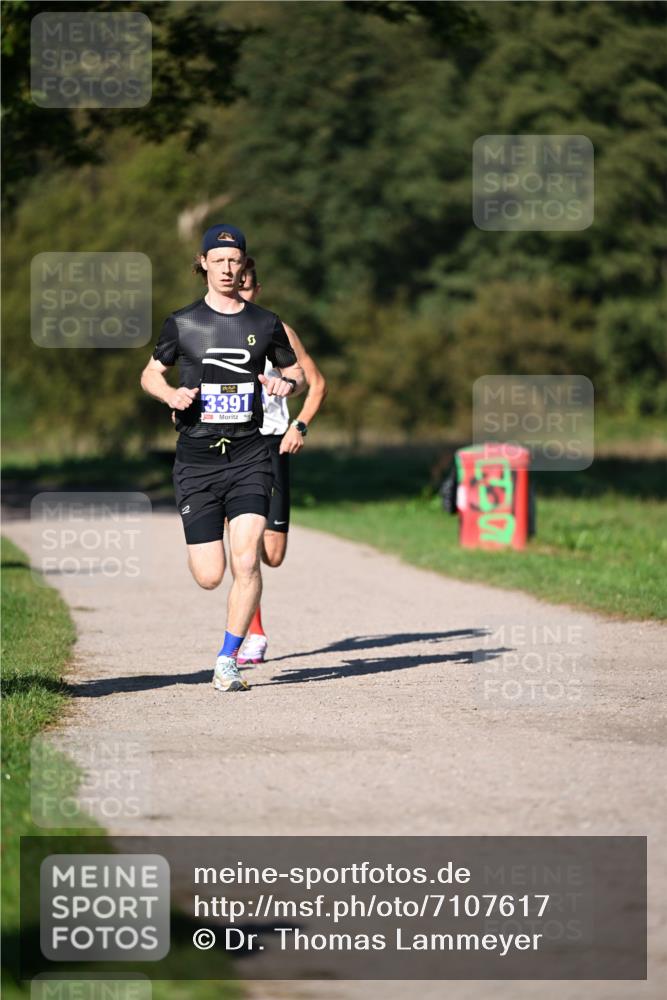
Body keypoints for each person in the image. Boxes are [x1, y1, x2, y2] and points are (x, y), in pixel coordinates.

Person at [140, 223, 304, 692]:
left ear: (243, 266)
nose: (228, 269)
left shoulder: (264, 323)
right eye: (219, 261)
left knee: (247, 561)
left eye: (236, 262)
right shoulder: (182, 322)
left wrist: (283, 384)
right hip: (196, 460)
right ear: (204, 264)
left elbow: (298, 375)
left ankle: (228, 659)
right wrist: (171, 395)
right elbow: (151, 373)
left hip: (251, 455)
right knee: (210, 575)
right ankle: (228, 634)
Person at [235, 258, 327, 665]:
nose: (240, 292)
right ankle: (252, 633)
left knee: (273, 554)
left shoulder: (278, 330)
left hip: (274, 444)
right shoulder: (207, 329)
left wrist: (300, 426)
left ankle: (250, 625)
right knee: (244, 545)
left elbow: (317, 383)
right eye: (234, 284)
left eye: (247, 286)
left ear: (258, 289)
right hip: (231, 445)